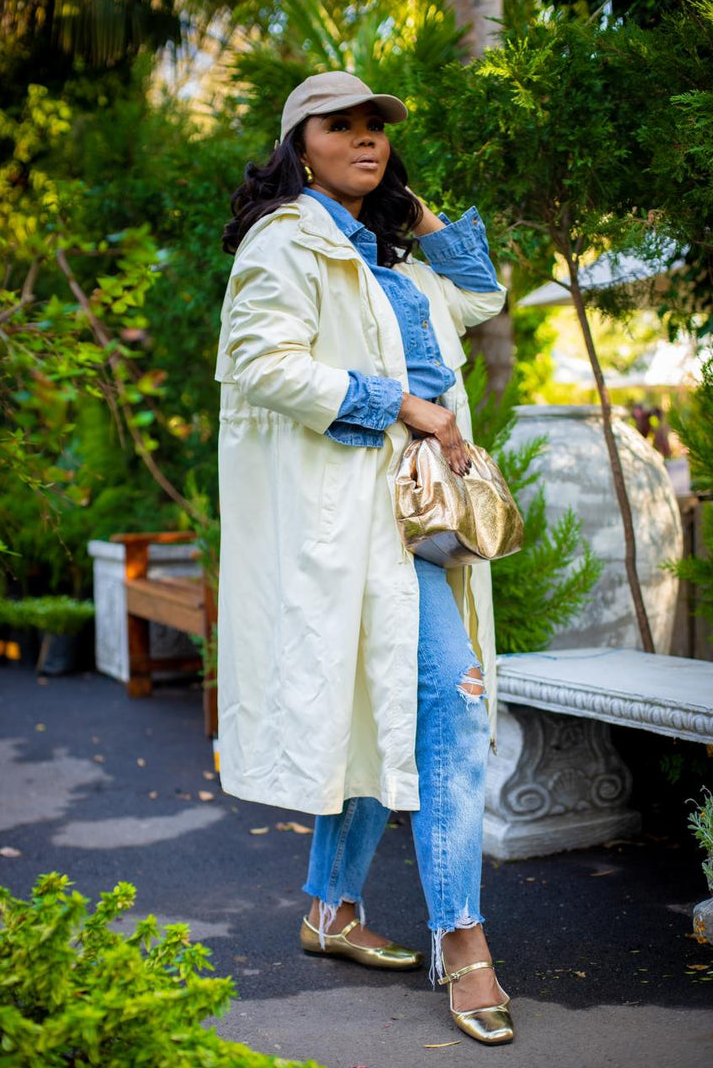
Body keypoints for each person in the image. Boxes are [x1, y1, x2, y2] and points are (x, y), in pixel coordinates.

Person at [216, 71, 513, 1046]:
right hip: (356, 520)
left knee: (375, 710)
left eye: (376, 126)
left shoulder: (393, 259)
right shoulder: (285, 243)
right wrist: (405, 404)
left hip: (422, 518)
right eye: (340, 126)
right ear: (299, 146)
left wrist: (417, 214)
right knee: (452, 704)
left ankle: (329, 907)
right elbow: (262, 362)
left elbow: (482, 291)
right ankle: (462, 937)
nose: (366, 138)